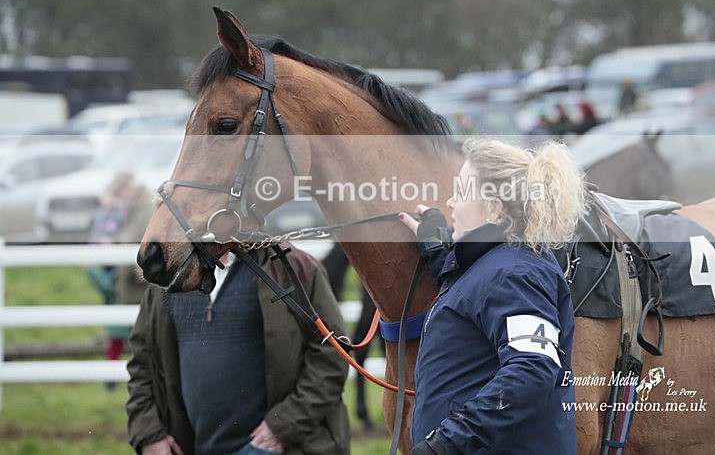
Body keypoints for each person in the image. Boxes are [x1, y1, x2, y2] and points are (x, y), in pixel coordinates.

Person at [398, 136, 587, 454]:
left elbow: (533, 369)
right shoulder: (503, 263)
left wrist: (445, 443)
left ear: (495, 209)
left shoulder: (516, 274)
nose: (451, 203)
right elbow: (476, 295)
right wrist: (437, 248)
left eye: (461, 192)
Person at [126, 245, 351, 455]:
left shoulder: (293, 267)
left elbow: (332, 355)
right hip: (192, 447)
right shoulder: (169, 275)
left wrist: (284, 425)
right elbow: (143, 361)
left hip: (275, 447)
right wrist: (149, 433)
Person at [85, 171, 152, 375]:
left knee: (146, 353)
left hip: (142, 295)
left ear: (126, 190)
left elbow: (150, 247)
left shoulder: (146, 211)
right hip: (131, 293)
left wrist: (146, 267)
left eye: (118, 195)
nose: (117, 201)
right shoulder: (131, 211)